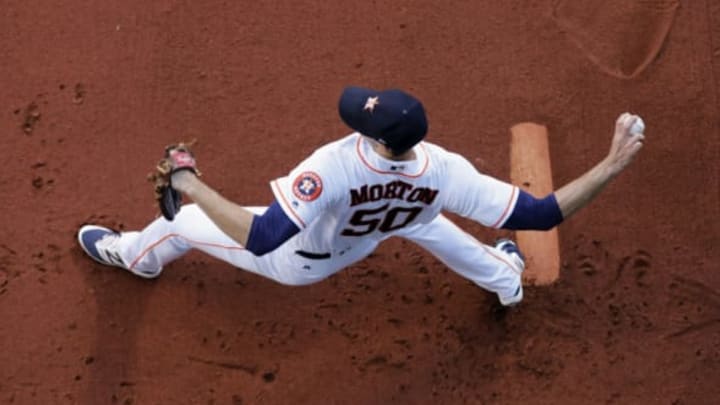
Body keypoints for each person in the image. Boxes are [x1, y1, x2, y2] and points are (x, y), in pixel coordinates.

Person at [77, 86, 645, 306]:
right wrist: (612, 164)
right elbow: (543, 213)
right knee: (424, 220)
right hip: (386, 224)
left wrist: (188, 184)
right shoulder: (442, 169)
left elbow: (264, 236)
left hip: (307, 256)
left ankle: (134, 257)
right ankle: (505, 279)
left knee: (187, 222)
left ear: (374, 138)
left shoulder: (333, 168)